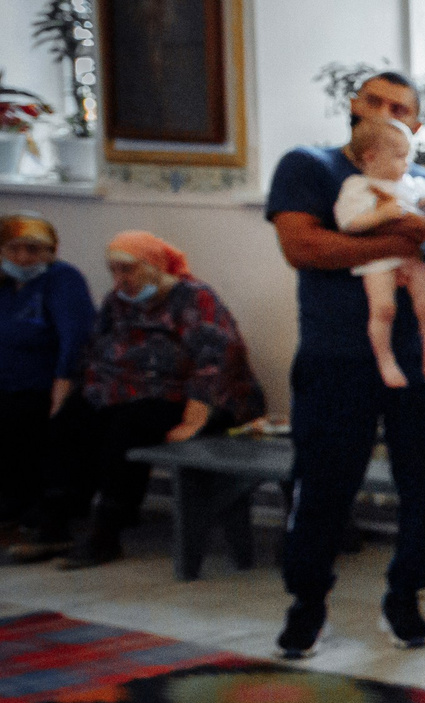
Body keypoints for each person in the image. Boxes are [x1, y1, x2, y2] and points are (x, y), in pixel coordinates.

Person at [265, 70, 425, 658]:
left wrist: (421, 225)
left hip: (423, 360)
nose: (384, 112)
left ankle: (405, 596)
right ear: (354, 105)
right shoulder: (309, 166)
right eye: (374, 101)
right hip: (336, 359)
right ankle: (307, 604)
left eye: (399, 108)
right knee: (323, 487)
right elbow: (303, 246)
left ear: (416, 125)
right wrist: (406, 241)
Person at [57, 231, 263, 570]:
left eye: (128, 270)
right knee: (76, 416)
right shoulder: (117, 301)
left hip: (199, 398)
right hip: (133, 392)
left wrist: (195, 418)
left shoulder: (194, 298)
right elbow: (95, 351)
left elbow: (216, 360)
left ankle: (108, 529)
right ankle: (58, 519)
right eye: (114, 271)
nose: (120, 280)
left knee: (127, 428)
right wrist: (91, 393)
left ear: (154, 267)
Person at [0, 214, 94, 564]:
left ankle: (45, 524)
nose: (23, 258)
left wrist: (62, 384)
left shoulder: (62, 279)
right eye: (14, 249)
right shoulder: (4, 283)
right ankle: (10, 513)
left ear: (51, 251)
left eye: (34, 249)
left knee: (26, 422)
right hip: (8, 383)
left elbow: (76, 338)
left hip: (47, 384)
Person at [332, 118, 425, 391]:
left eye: (408, 155)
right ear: (370, 158)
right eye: (399, 156)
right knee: (384, 309)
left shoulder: (414, 184)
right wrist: (379, 215)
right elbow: (347, 222)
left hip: (414, 257)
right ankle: (386, 361)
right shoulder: (358, 187)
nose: (407, 163)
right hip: (379, 259)